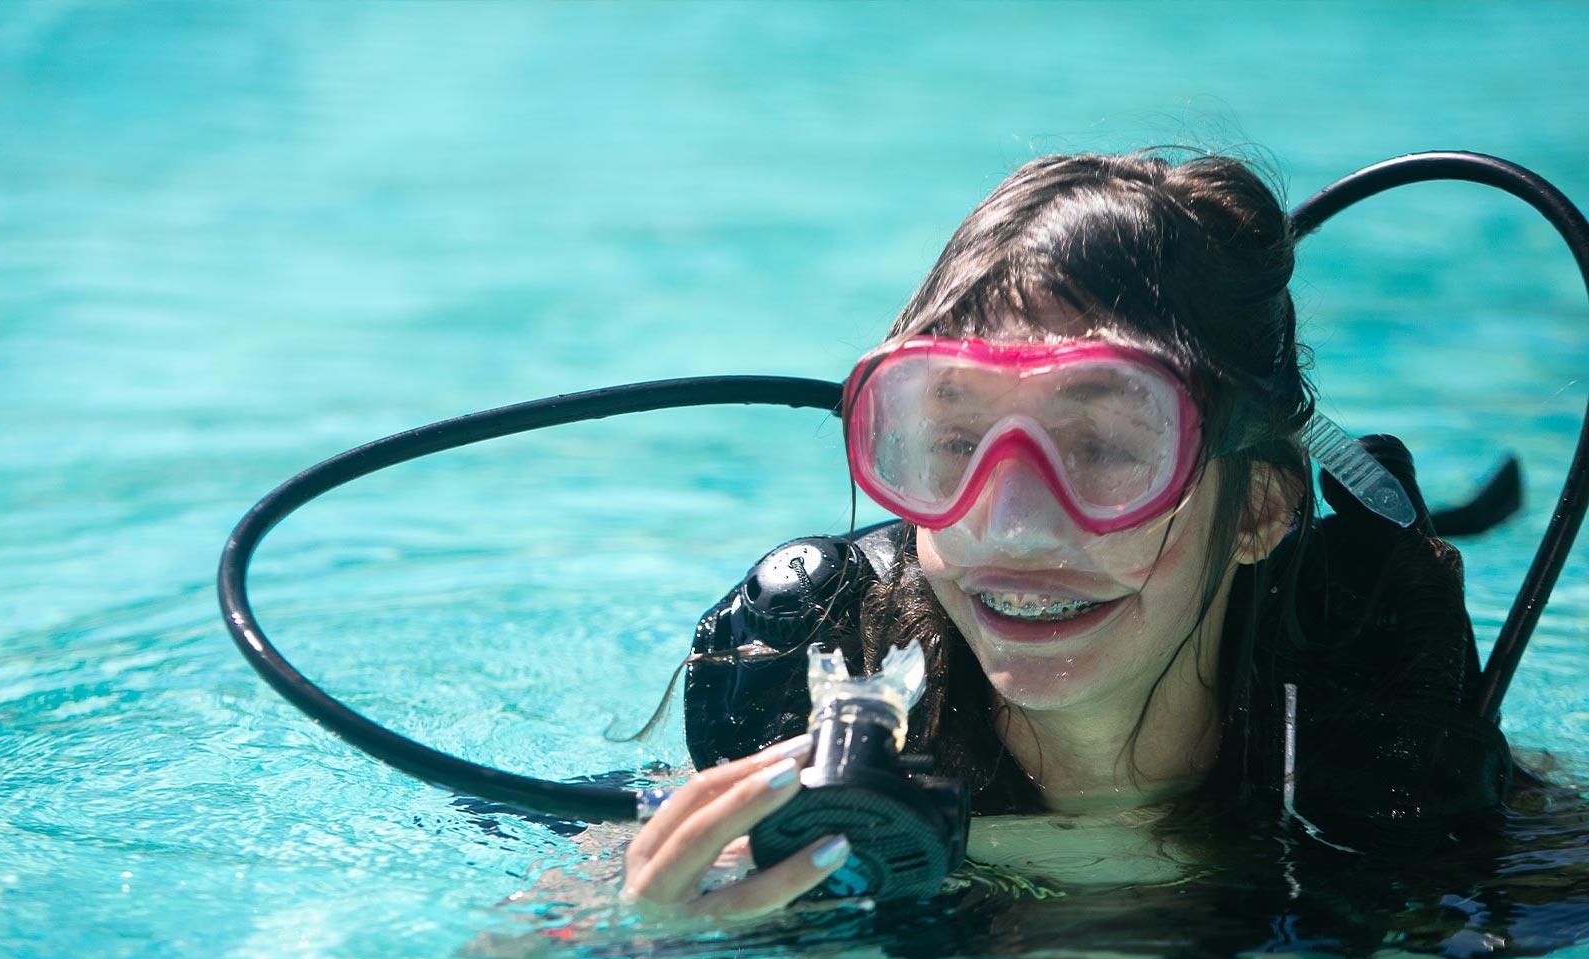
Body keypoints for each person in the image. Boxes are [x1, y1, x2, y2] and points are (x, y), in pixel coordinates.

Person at [621, 151, 1518, 918]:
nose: (1012, 525)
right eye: (957, 443)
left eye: (1103, 448)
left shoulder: (1380, 752)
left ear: (1259, 509)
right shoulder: (806, 691)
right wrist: (658, 938)